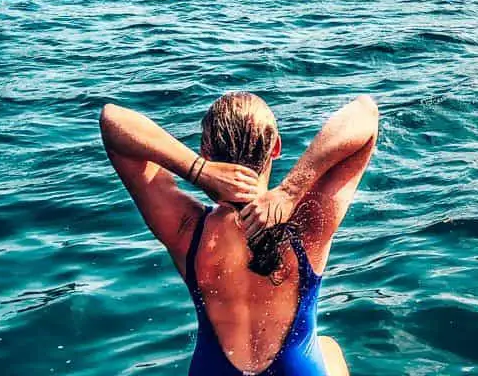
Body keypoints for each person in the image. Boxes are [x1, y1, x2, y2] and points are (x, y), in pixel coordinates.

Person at [99, 92, 379, 376]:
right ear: (276, 148)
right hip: (297, 371)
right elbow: (365, 112)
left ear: (205, 153)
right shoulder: (307, 227)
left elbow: (112, 120)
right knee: (329, 348)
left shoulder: (187, 230)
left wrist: (199, 171)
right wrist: (290, 192)